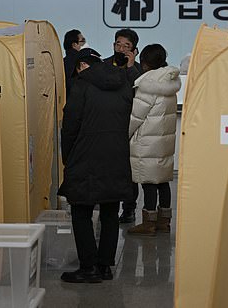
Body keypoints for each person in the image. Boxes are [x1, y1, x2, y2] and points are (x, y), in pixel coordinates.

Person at [58, 48, 134, 283]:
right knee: (110, 211)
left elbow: (70, 125)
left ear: (81, 66)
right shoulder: (123, 83)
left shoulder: (81, 86)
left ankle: (88, 267)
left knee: (81, 211)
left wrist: (68, 158)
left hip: (86, 155)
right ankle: (104, 266)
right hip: (116, 154)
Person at [126, 44, 181, 236]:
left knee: (148, 182)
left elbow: (136, 116)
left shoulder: (147, 84)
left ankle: (148, 224)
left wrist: (124, 135)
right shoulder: (169, 83)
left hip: (147, 142)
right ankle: (164, 222)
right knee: (163, 181)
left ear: (146, 63)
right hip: (163, 142)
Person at [104, 28, 142, 223]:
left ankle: (129, 209)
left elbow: (140, 89)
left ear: (134, 49)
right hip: (107, 122)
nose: (121, 48)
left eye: (126, 46)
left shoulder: (138, 70)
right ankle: (107, 207)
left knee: (128, 169)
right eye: (118, 44)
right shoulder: (103, 64)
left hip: (129, 124)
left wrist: (130, 66)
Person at [63, 29, 87, 97]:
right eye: (82, 41)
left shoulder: (61, 63)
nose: (85, 44)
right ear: (74, 45)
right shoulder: (82, 62)